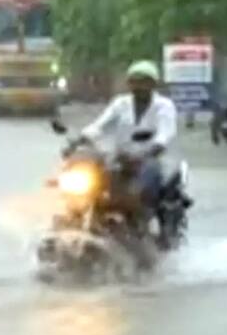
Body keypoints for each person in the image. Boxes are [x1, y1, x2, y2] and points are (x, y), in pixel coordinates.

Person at [76, 60, 178, 236]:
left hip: (150, 159)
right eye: (134, 81)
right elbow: (100, 125)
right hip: (121, 158)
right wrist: (80, 139)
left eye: (144, 81)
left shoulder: (164, 106)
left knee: (140, 187)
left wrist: (148, 152)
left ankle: (142, 222)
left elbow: (165, 134)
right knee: (93, 183)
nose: (139, 86)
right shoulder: (120, 103)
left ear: (153, 84)